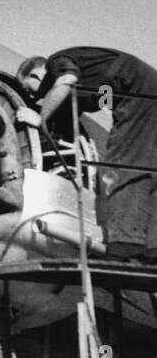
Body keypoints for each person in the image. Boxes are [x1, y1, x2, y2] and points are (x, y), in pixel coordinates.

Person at [17, 49, 157, 260]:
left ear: (38, 75)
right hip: (144, 90)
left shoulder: (57, 61)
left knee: (122, 160)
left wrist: (40, 117)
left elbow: (67, 80)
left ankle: (125, 244)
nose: (33, 97)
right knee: (148, 170)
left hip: (138, 88)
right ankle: (152, 246)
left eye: (30, 89)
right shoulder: (90, 87)